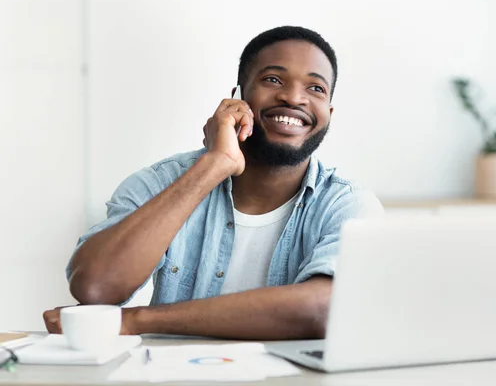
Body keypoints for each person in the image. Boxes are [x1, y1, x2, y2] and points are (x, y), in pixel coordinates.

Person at [43, 26, 383, 340]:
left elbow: (322, 310)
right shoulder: (163, 181)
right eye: (274, 80)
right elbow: (95, 287)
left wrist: (133, 321)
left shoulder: (349, 205)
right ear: (238, 97)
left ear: (329, 113)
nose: (294, 98)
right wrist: (213, 166)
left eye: (315, 88)